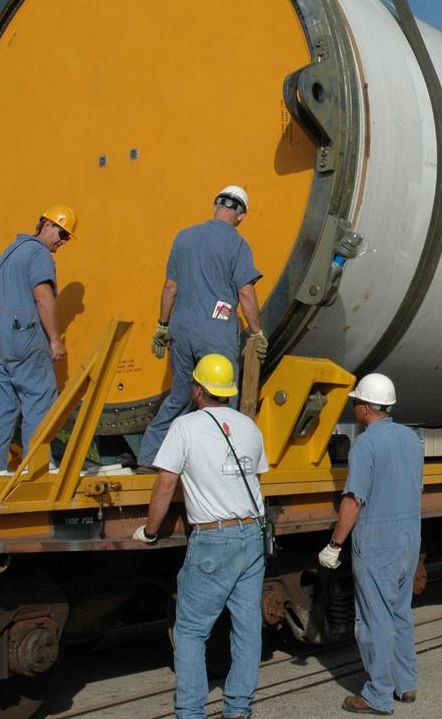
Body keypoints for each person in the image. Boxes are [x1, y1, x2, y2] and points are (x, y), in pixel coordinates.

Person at [132, 353, 269, 719]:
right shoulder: (249, 427)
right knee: (247, 627)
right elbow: (256, 477)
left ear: (198, 390)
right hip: (252, 535)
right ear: (228, 392)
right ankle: (238, 710)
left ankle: (191, 713)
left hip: (214, 539)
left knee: (191, 631)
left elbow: (164, 486)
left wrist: (150, 531)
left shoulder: (185, 428)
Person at [138, 185, 268, 468]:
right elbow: (245, 293)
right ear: (241, 215)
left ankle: (149, 457)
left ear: (215, 206)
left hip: (181, 330)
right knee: (222, 398)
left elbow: (170, 286)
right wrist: (256, 331)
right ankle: (220, 462)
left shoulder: (183, 237)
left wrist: (162, 325)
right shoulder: (237, 244)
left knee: (182, 394)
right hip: (217, 332)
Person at [318, 374, 424, 715]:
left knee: (374, 619)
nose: (353, 406)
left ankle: (378, 694)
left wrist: (335, 544)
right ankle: (405, 684)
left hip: (378, 540)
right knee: (400, 613)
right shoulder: (411, 438)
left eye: (355, 401)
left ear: (365, 407)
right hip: (409, 535)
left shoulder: (365, 444)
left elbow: (353, 500)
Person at [0, 205, 76, 474]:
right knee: (40, 397)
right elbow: (42, 295)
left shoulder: (8, 252)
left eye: (67, 237)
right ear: (46, 225)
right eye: (62, 232)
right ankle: (36, 468)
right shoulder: (39, 254)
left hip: (0, 339)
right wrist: (55, 339)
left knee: (3, 407)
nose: (62, 240)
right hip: (25, 337)